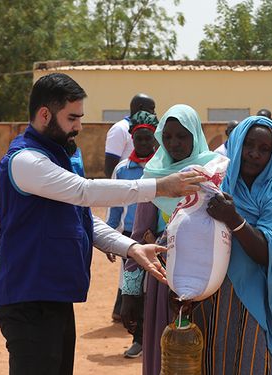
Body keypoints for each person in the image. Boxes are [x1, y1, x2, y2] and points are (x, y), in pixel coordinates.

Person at [0, 74, 203, 375]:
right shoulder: (25, 161)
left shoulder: (58, 157)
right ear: (44, 115)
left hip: (53, 297)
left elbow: (83, 218)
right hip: (27, 299)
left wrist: (130, 248)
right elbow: (84, 192)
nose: (79, 126)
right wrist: (159, 187)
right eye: (72, 118)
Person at [195, 115, 272, 374]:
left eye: (264, 149)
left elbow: (270, 254)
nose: (254, 154)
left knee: (254, 361)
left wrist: (233, 218)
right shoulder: (217, 182)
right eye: (248, 145)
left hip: (260, 299)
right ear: (237, 143)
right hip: (213, 296)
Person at [126, 104, 220, 375]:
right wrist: (130, 293)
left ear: (196, 135)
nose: (174, 143)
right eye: (167, 137)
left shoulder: (213, 172)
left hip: (209, 279)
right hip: (166, 279)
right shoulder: (154, 176)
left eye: (182, 136)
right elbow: (138, 235)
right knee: (168, 356)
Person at [105, 110, 158, 358]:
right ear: (132, 140)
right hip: (129, 239)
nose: (144, 143)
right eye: (140, 139)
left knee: (156, 291)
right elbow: (115, 206)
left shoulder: (162, 168)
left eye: (149, 139)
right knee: (132, 290)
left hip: (157, 240)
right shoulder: (123, 170)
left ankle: (157, 339)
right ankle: (138, 339)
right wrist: (110, 241)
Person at [104, 93, 156, 177]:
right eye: (152, 109)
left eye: (148, 138)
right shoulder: (120, 129)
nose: (154, 113)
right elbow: (110, 168)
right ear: (140, 108)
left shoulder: (151, 128)